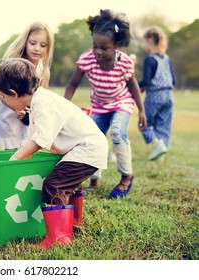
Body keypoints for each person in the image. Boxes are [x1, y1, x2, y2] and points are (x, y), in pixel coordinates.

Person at [0, 58, 108, 248]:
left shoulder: (43, 104)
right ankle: (73, 224)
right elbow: (33, 136)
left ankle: (59, 238)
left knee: (54, 184)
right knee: (68, 183)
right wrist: (22, 151)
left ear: (13, 93)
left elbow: (40, 139)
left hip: (87, 149)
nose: (4, 102)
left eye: (3, 98)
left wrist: (16, 158)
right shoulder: (40, 101)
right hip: (85, 148)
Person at [64, 9, 147, 198]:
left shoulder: (124, 63)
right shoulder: (87, 60)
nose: (98, 51)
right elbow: (72, 84)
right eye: (95, 46)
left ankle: (126, 177)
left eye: (104, 47)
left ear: (117, 45)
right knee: (93, 139)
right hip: (99, 106)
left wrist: (141, 110)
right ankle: (94, 179)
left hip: (121, 103)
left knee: (117, 132)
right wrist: (65, 107)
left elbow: (133, 86)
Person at [0, 21, 54, 149]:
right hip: (9, 113)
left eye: (43, 45)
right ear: (25, 41)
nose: (37, 48)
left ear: (48, 48)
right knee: (11, 146)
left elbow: (43, 97)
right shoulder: (13, 63)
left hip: (28, 116)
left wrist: (29, 112)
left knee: (26, 145)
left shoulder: (44, 70)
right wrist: (16, 109)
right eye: (33, 43)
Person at [138, 27, 176, 161]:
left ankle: (156, 144)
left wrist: (132, 84)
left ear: (149, 40)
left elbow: (146, 81)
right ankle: (160, 155)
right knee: (163, 125)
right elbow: (174, 80)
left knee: (143, 123)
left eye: (144, 41)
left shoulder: (149, 59)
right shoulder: (167, 59)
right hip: (169, 95)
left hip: (155, 95)